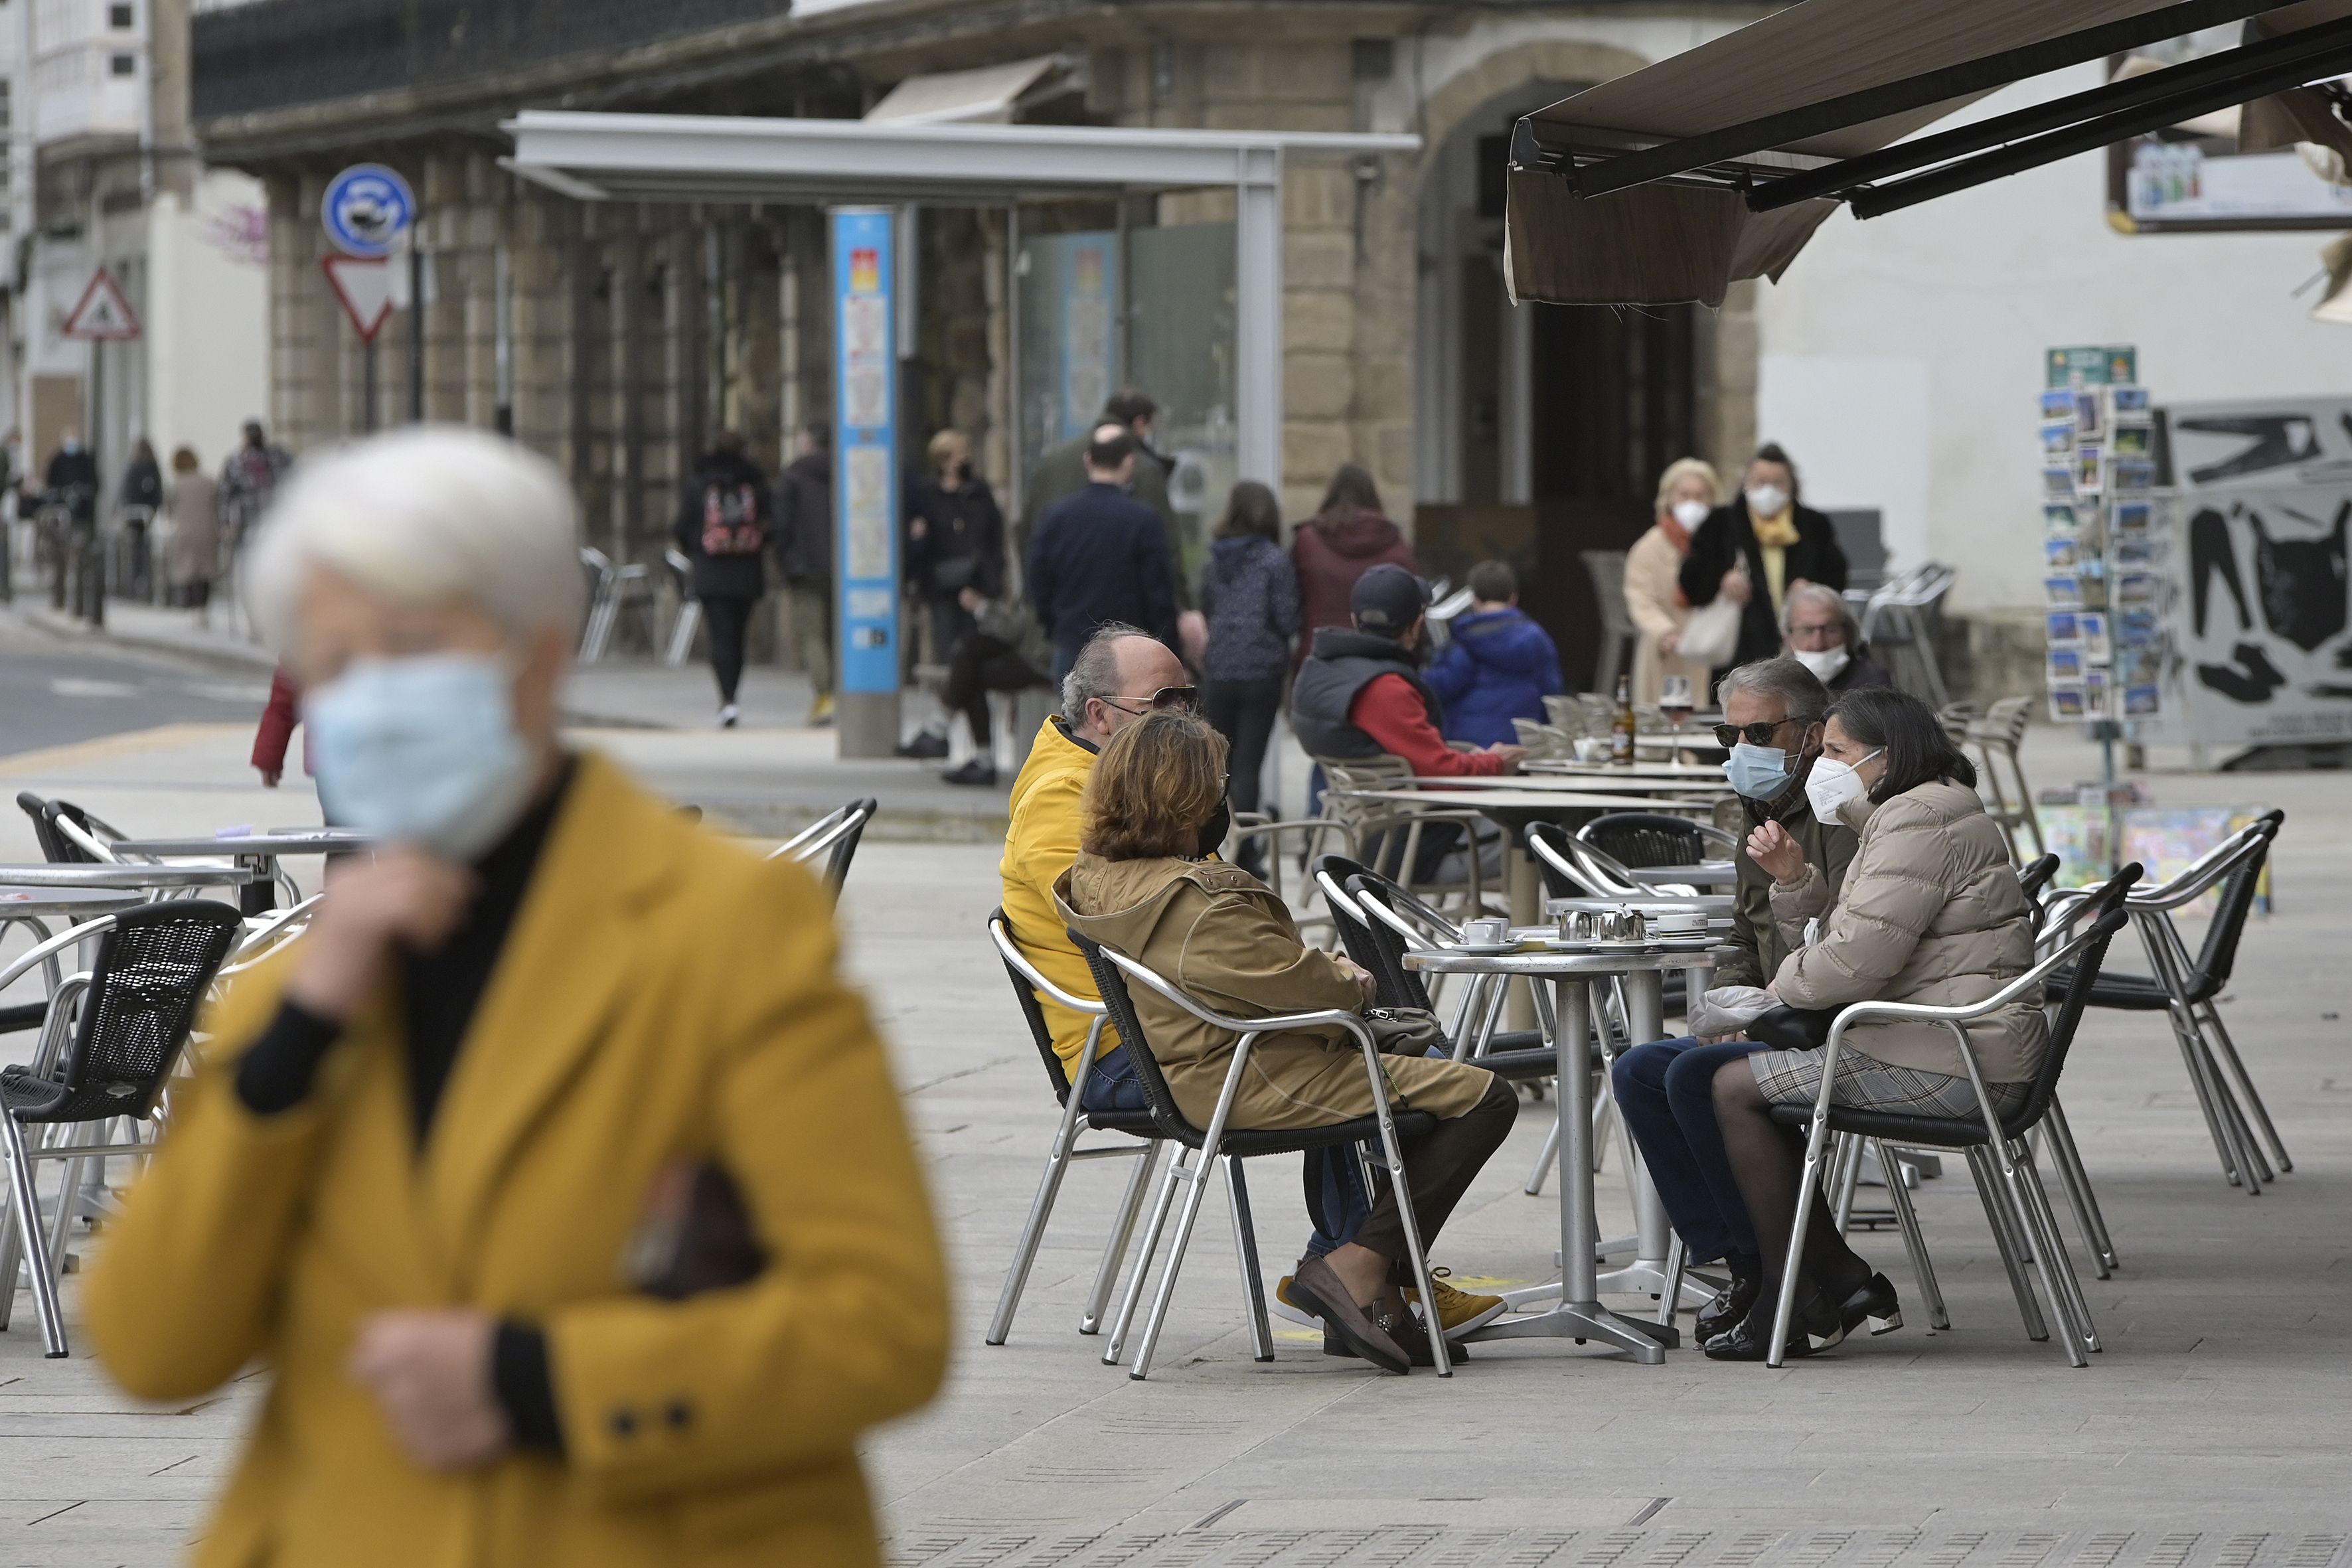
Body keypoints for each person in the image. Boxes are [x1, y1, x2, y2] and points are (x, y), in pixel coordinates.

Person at [85, 426, 947, 1565]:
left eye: (409, 647)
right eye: (331, 665)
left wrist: (540, 1381)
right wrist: (295, 1042)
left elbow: (886, 1324)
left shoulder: (727, 929)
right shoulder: (298, 985)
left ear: (537, 655)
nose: (368, 698)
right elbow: (151, 1345)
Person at [998, 625, 1505, 1348]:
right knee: (1358, 1041)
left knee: (1344, 1038)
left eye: (1189, 698)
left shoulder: (1120, 785)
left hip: (1170, 1025)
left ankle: (1356, 1267)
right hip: (1131, 1050)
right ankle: (1364, 1268)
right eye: (1163, 703)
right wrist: (1296, 969)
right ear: (1101, 715)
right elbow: (1145, 925)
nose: (1184, 716)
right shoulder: (1065, 800)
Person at [1705, 685, 2041, 1360]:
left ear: (1887, 756)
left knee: (1726, 1086)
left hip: (1950, 1059)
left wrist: (1772, 994)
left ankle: (1784, 1289)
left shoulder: (1917, 820)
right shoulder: (1906, 812)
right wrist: (1796, 885)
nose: (1820, 765)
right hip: (1945, 1041)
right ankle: (1799, 1277)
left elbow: (1854, 963)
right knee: (1696, 1073)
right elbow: (1845, 937)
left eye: (1835, 751)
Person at [1608, 656, 1857, 1348]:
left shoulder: (1840, 811)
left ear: (1809, 735)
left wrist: (1766, 1000)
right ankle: (1748, 1262)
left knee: (1696, 1076)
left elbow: (1849, 941)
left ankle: (1795, 1277)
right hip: (1775, 1011)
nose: (1742, 750)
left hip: (1830, 1014)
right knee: (1638, 1070)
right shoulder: (1762, 809)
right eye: (1731, 736)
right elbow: (1745, 934)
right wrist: (1725, 1008)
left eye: (1759, 733)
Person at [1196, 480, 1300, 872]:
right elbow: (1287, 617)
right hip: (1261, 672)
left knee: (1217, 761)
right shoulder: (1274, 560)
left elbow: (1204, 607)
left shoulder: (1215, 558)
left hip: (1219, 669)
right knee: (1248, 766)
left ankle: (1212, 844)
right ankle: (1251, 851)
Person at [1024, 426, 1180, 680]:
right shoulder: (1143, 520)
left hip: (1071, 644)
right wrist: (1169, 644)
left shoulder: (1056, 517)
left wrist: (1054, 626)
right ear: (1129, 462)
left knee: (1074, 718)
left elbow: (1038, 580)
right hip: (1129, 652)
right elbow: (1159, 592)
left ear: (1088, 461)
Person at [1678, 443, 1848, 672]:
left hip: (1802, 648)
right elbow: (1690, 578)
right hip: (1741, 651)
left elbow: (1837, 576)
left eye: (1778, 483)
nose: (1769, 490)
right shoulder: (1720, 523)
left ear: (1792, 486)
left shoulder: (1813, 525)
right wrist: (1722, 577)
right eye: (1760, 482)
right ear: (1746, 483)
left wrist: (1813, 589)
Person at [898, 429, 1009, 761]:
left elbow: (993, 542)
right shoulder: (927, 494)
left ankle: (940, 731)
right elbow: (917, 545)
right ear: (944, 459)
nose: (965, 459)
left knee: (968, 663)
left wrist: (989, 587)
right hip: (941, 588)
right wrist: (918, 542)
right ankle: (947, 734)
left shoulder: (979, 493)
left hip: (976, 590)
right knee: (954, 662)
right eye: (958, 453)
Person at [671, 429, 772, 728]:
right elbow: (771, 525)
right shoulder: (756, 483)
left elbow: (680, 526)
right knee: (738, 637)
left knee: (720, 636)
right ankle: (733, 693)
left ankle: (726, 700)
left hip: (711, 572)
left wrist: (696, 549)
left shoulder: (699, 483)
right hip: (747, 573)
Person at [1290, 463, 1417, 676]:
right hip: (1378, 662)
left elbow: (1289, 601)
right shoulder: (1394, 542)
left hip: (1318, 657)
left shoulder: (1307, 540)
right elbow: (1413, 602)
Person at [1425, 560, 1562, 747]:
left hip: (1468, 746)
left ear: (1474, 599)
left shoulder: (1464, 639)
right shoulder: (1537, 639)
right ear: (1514, 598)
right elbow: (1552, 692)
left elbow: (1440, 688)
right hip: (1521, 744)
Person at [1626, 457, 1720, 706]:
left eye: (1700, 496)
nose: (1693, 503)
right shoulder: (1650, 547)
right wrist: (1665, 632)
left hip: (1713, 652)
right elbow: (1640, 599)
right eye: (1685, 495)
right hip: (1667, 655)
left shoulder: (1720, 544)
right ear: (1669, 498)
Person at [774, 422, 836, 727]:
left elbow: (781, 526)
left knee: (813, 635)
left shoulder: (793, 476)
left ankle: (825, 696)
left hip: (805, 567)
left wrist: (785, 561)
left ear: (808, 442)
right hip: (844, 569)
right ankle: (842, 693)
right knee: (838, 634)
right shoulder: (848, 472)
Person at [1781, 581, 1893, 694]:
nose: (1818, 644)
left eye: (1830, 630)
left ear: (1848, 632)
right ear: (1787, 638)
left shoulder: (1874, 686)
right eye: (1807, 631)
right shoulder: (1778, 688)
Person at [164, 446, 220, 619]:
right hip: (207, 530)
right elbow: (218, 504)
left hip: (185, 531)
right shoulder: (209, 482)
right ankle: (203, 608)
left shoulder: (177, 485)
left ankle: (193, 608)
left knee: (189, 570)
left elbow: (169, 509)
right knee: (206, 570)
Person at [218, 418, 292, 538]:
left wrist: (225, 522)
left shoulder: (277, 456)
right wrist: (225, 522)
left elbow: (225, 494)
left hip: (271, 517)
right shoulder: (238, 461)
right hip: (255, 519)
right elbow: (225, 493)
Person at [42, 428, 98, 522]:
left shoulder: (86, 460)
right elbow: (50, 482)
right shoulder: (57, 460)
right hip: (61, 505)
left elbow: (94, 482)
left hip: (84, 509)